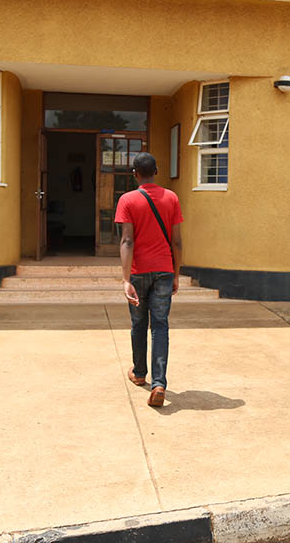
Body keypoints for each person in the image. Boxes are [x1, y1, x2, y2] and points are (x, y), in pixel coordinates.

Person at [114, 152, 183, 407]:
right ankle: (160, 384)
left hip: (138, 272)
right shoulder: (172, 198)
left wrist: (125, 279)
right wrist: (175, 273)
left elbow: (127, 240)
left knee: (138, 323)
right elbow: (176, 241)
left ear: (134, 173)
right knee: (161, 326)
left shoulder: (127, 200)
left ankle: (140, 373)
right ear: (157, 170)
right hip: (164, 270)